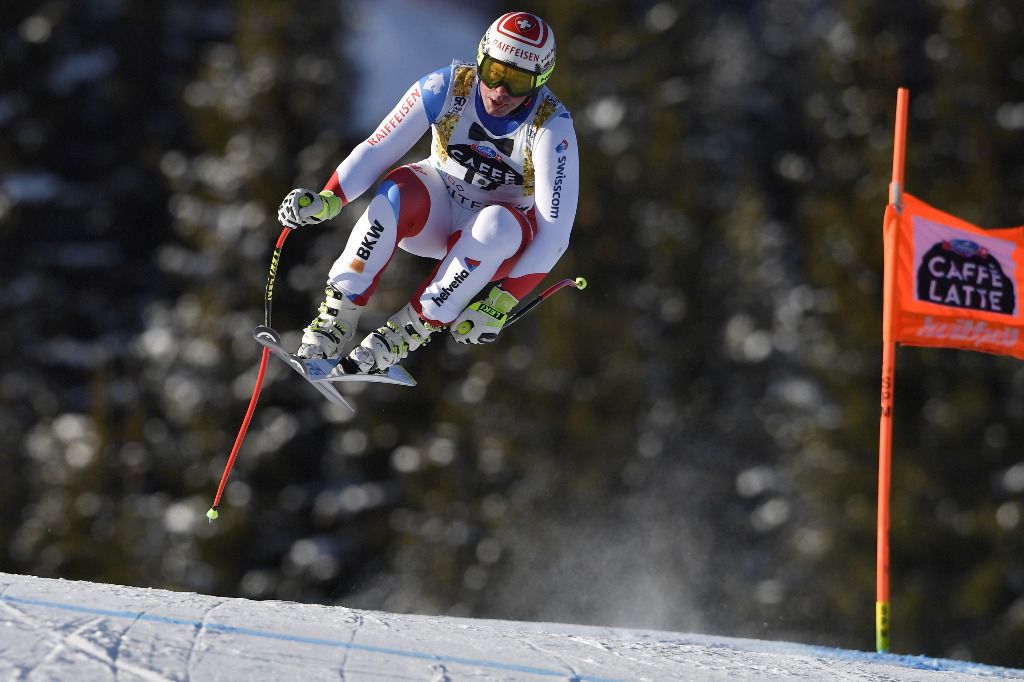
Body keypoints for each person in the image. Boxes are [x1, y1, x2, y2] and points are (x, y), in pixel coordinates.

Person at [277, 11, 579, 374]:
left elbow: (555, 233)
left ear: (540, 81)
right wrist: (331, 198)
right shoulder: (447, 87)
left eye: (517, 82)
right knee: (398, 188)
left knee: (497, 224)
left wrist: (501, 301)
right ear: (481, 59)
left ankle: (406, 332)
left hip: (493, 243)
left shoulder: (551, 128)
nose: (501, 92)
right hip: (433, 213)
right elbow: (378, 147)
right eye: (495, 73)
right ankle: (335, 320)